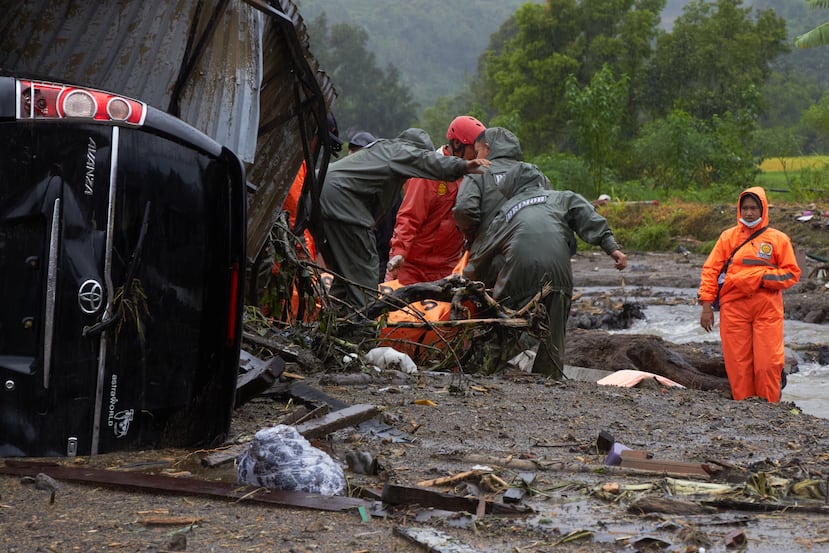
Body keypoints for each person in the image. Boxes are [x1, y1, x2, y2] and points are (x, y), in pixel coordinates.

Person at [462, 127, 627, 378]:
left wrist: (468, 283)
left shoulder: (507, 210)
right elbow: (587, 216)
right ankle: (549, 377)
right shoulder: (559, 197)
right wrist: (611, 247)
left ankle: (482, 370)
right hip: (560, 275)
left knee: (505, 324)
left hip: (518, 273)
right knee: (554, 330)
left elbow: (483, 252)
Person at [314, 128, 490, 311]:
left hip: (316, 192)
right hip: (341, 203)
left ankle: (331, 328)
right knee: (364, 282)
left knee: (345, 278)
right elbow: (410, 216)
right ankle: (362, 333)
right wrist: (465, 166)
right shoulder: (400, 151)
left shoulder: (381, 154)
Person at [698, 187, 800, 403]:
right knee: (738, 364)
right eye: (745, 208)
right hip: (733, 308)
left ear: (762, 208)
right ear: (739, 210)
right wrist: (706, 305)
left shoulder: (778, 239)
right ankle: (744, 407)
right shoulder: (728, 237)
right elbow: (711, 270)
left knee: (768, 363)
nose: (749, 213)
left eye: (754, 208)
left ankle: (770, 407)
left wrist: (760, 278)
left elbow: (791, 274)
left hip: (767, 308)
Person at [386, 116, 486, 284]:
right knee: (400, 309)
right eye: (473, 150)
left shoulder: (472, 176)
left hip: (448, 267)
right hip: (413, 268)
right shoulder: (428, 174)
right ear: (457, 145)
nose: (477, 155)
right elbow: (409, 217)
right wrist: (398, 254)